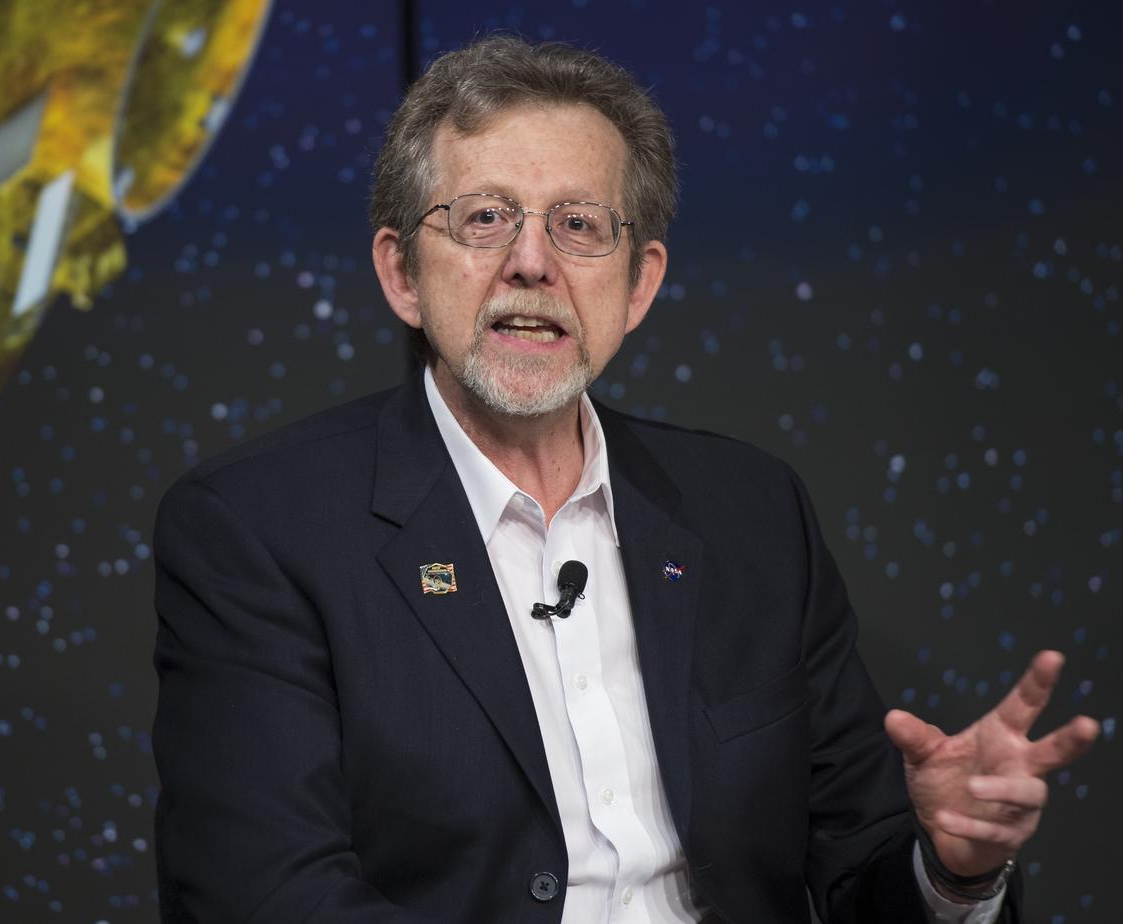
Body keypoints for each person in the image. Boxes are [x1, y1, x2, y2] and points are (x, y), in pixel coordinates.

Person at [151, 35, 1099, 923]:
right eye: (484, 218)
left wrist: (952, 868)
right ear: (401, 273)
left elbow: (864, 867)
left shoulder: (751, 512)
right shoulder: (259, 527)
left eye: (579, 225)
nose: (531, 262)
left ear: (638, 284)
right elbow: (267, 894)